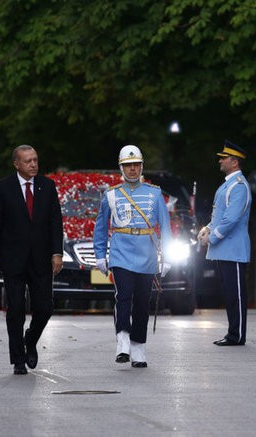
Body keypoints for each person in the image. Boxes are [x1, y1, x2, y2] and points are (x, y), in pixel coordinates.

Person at [0, 145, 64, 375]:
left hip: (41, 260)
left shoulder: (47, 186)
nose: (33, 164)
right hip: (13, 260)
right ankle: (18, 360)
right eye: (28, 161)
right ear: (16, 164)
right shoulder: (3, 188)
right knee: (16, 310)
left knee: (45, 307)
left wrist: (57, 253)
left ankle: (30, 339)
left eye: (35, 160)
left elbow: (55, 222)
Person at [93, 145, 172, 368]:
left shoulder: (155, 193)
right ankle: (123, 339)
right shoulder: (111, 194)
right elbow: (101, 227)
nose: (132, 169)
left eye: (136, 165)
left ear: (141, 166)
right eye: (128, 166)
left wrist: (166, 257)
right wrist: (100, 254)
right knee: (124, 295)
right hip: (121, 252)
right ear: (121, 167)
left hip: (146, 254)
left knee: (142, 303)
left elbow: (165, 227)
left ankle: (138, 348)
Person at [198, 140, 251, 346]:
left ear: (234, 162)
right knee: (229, 294)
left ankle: (236, 335)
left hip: (233, 248)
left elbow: (231, 219)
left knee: (235, 295)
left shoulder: (239, 186)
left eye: (224, 158)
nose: (220, 160)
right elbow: (220, 216)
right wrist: (208, 228)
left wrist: (211, 236)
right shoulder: (228, 185)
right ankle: (232, 333)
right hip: (224, 248)